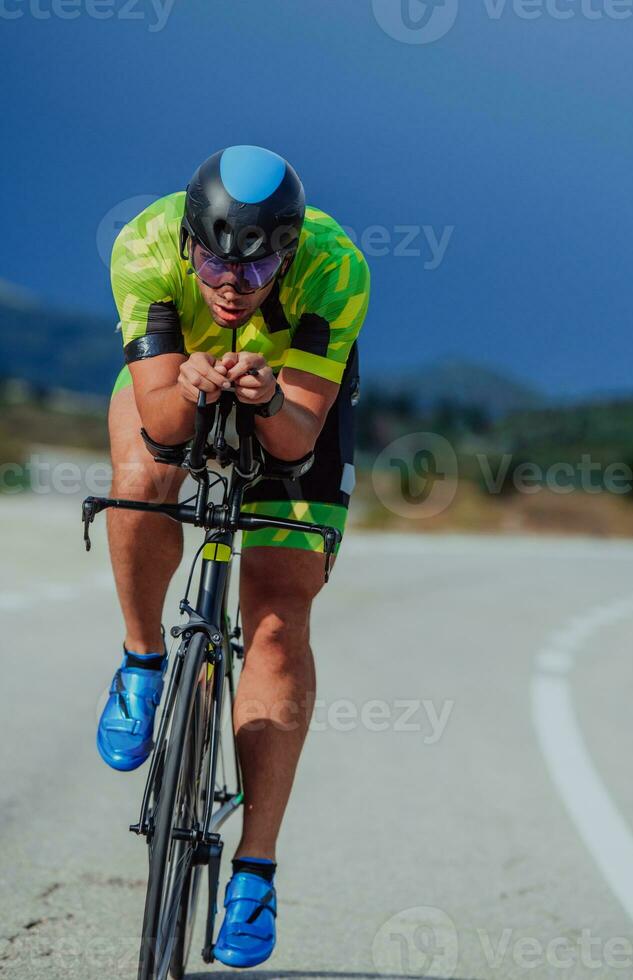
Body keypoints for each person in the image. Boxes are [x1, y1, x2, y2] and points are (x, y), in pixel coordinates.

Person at [96, 145, 370, 968]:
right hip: (178, 381)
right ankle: (143, 658)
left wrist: (269, 395)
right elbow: (162, 427)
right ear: (187, 242)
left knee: (281, 618)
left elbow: (297, 438)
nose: (230, 284)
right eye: (215, 261)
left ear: (288, 252)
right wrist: (190, 385)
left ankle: (256, 866)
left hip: (291, 393)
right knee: (142, 479)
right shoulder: (144, 246)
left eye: (254, 271)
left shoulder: (335, 268)